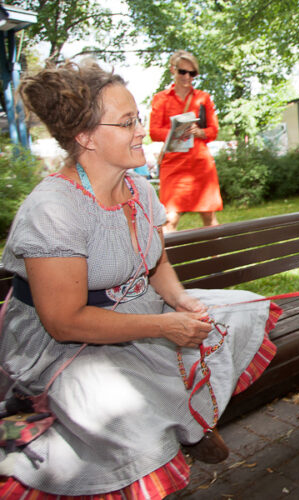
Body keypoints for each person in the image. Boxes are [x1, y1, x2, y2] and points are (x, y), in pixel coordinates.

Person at [0, 60, 280, 497]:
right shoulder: (53, 210)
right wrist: (166, 325)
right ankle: (167, 429)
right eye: (128, 122)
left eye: (136, 119)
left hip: (136, 311)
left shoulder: (140, 189)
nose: (142, 131)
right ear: (85, 137)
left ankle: (190, 421)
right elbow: (64, 321)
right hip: (64, 344)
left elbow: (157, 265)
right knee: (124, 411)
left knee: (239, 311)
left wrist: (181, 302)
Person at [150, 50, 222, 233]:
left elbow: (213, 131)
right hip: (173, 164)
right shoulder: (161, 99)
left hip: (200, 164)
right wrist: (177, 130)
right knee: (169, 219)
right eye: (182, 71)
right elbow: (154, 132)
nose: (187, 77)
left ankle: (218, 260)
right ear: (172, 70)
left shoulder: (203, 98)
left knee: (208, 216)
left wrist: (199, 132)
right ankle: (168, 262)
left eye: (192, 73)